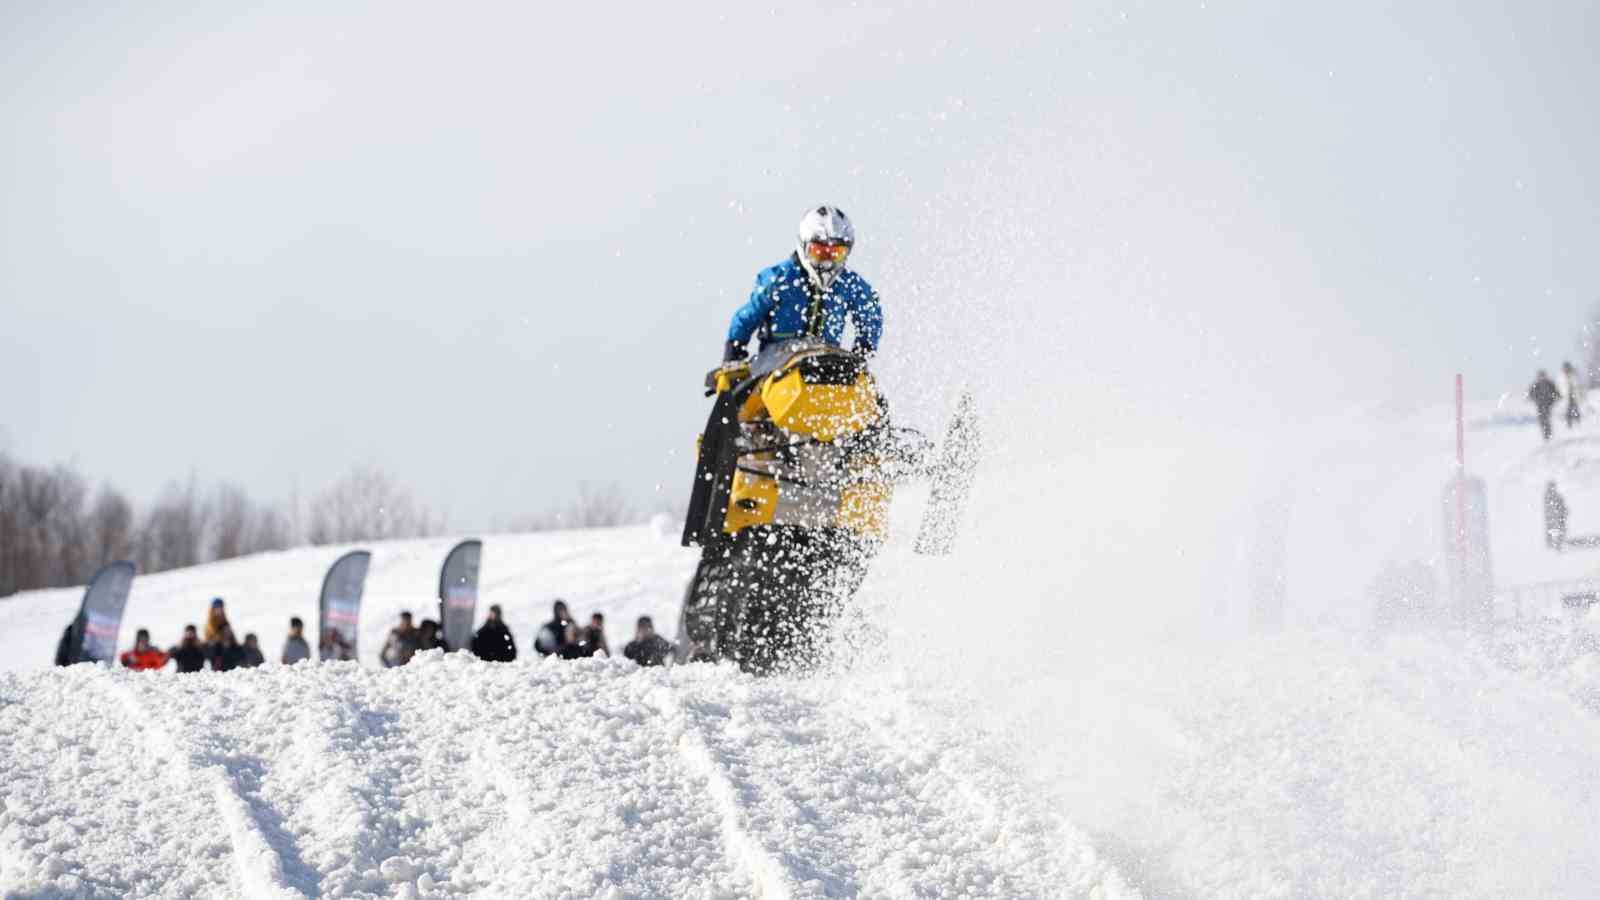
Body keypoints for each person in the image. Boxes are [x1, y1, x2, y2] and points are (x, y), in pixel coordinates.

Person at [723, 206, 883, 363]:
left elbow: (870, 312)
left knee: (859, 379)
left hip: (828, 364)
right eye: (819, 252)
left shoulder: (848, 284)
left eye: (836, 254)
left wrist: (863, 350)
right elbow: (747, 317)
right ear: (803, 245)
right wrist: (734, 353)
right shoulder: (778, 279)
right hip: (775, 364)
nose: (827, 263)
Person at [1530, 370, 1561, 441]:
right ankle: (1546, 435)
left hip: (1547, 404)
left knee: (1546, 419)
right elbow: (1531, 394)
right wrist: (1535, 399)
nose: (1542, 378)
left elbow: (1556, 392)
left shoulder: (1549, 383)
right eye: (1541, 377)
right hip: (1540, 405)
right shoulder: (1537, 384)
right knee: (1542, 420)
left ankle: (1548, 434)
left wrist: (1554, 399)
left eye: (1543, 376)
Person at [1545, 481, 1569, 551]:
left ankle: (1557, 545)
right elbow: (1558, 507)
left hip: (1557, 517)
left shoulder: (1553, 496)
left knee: (1558, 531)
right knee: (1558, 531)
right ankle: (1557, 545)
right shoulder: (1553, 497)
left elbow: (1561, 506)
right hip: (1557, 518)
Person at [1563, 361, 1585, 429]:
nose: (1566, 369)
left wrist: (1581, 393)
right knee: (1568, 409)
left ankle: (1577, 421)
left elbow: (1579, 384)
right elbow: (1561, 386)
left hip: (1574, 394)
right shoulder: (1562, 376)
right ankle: (1569, 423)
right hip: (1567, 395)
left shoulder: (1574, 374)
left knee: (1575, 408)